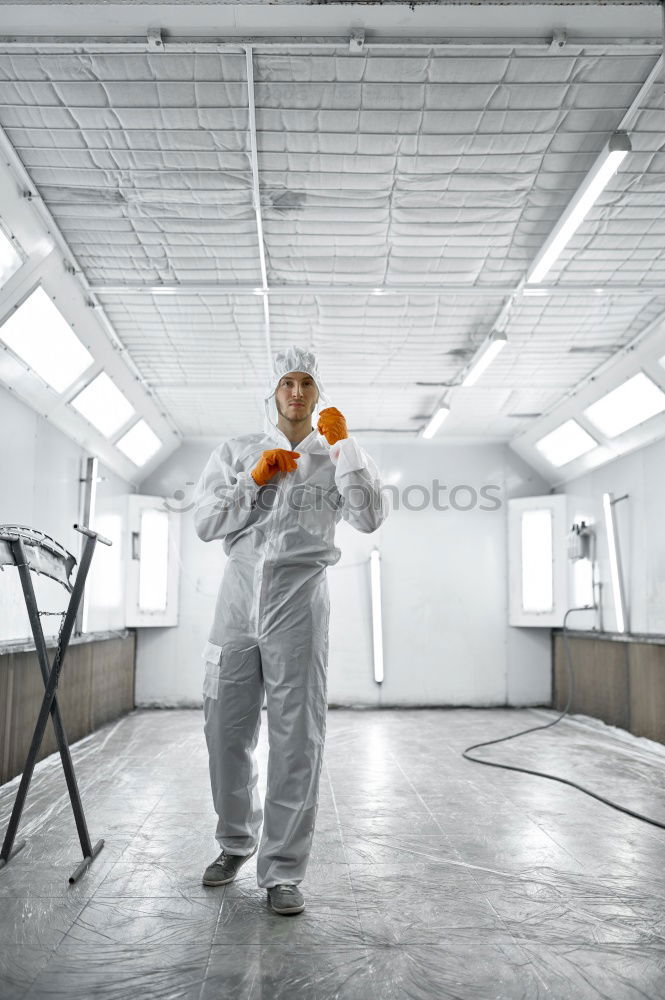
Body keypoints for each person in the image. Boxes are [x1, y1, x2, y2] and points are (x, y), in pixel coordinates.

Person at [192, 345, 387, 915]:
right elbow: (206, 522)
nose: (296, 392)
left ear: (319, 393)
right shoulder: (238, 451)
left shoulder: (337, 453)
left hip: (300, 602)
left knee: (296, 736)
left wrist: (346, 445)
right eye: (287, 383)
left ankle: (281, 872)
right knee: (223, 728)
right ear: (273, 392)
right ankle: (234, 843)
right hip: (236, 601)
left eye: (306, 383)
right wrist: (253, 480)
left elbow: (369, 516)